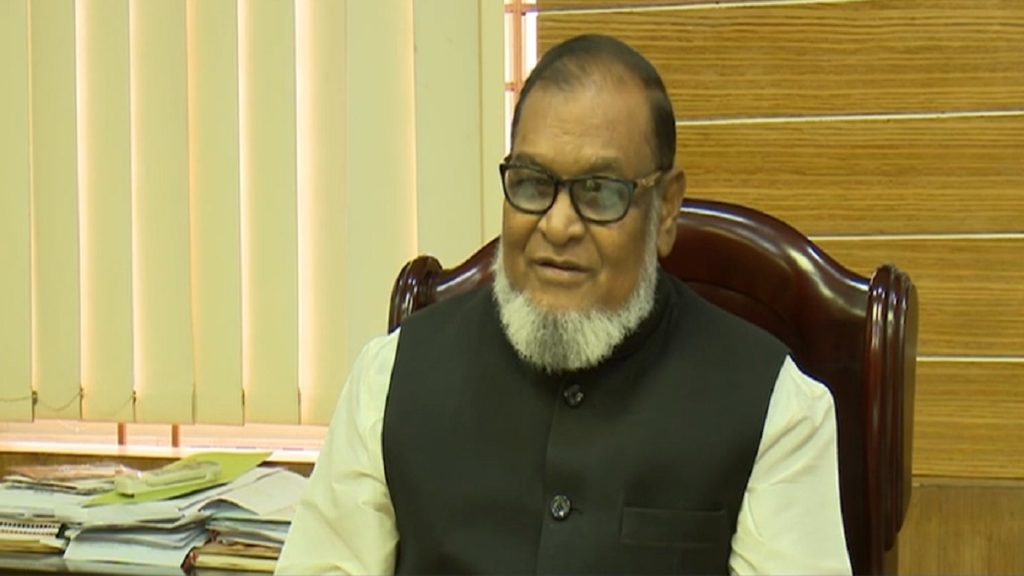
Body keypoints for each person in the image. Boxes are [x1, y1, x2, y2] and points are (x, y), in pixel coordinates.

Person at [277, 34, 851, 575]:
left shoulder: (777, 408)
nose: (557, 225)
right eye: (532, 182)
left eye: (599, 191)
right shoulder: (388, 379)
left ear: (666, 209)